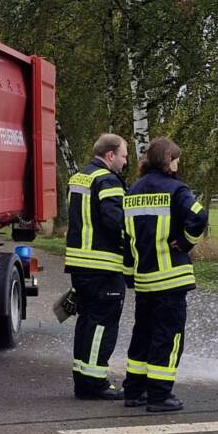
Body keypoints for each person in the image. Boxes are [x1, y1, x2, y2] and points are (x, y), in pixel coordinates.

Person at [121, 138, 208, 413]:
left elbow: (126, 239)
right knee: (168, 337)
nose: (178, 163)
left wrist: (129, 276)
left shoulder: (132, 191)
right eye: (176, 159)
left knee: (143, 334)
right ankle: (160, 395)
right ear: (168, 160)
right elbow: (199, 215)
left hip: (144, 278)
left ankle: (135, 391)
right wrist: (184, 242)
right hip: (170, 279)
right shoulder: (176, 189)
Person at [65, 133, 130, 400]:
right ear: (110, 155)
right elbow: (116, 221)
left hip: (80, 265)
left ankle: (82, 379)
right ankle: (94, 383)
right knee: (102, 325)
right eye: (124, 156)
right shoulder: (107, 180)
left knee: (86, 322)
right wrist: (135, 243)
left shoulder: (79, 177)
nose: (126, 162)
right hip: (103, 265)